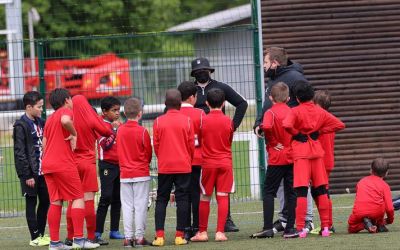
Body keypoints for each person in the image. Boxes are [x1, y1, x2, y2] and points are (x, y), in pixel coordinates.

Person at [253, 47, 314, 233]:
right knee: (283, 184)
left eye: (265, 62)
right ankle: (285, 219)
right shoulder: (274, 78)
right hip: (276, 143)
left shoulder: (296, 78)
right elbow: (266, 105)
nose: (263, 66)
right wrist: (258, 122)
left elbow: (306, 106)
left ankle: (307, 219)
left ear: (275, 63)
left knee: (298, 182)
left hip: (289, 142)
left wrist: (294, 133)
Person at [191, 57, 247, 232]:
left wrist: (233, 126)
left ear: (210, 71)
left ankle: (226, 220)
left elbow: (242, 103)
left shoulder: (220, 87)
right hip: (195, 143)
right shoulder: (188, 89)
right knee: (198, 186)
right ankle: (197, 223)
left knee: (222, 188)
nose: (202, 73)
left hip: (217, 142)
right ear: (193, 74)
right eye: (199, 71)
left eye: (205, 70)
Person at [282, 83, 345, 238]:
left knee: (302, 191)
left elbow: (286, 124)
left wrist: (296, 134)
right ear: (312, 96)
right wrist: (318, 131)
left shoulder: (295, 110)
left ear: (297, 98)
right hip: (317, 154)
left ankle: (301, 228)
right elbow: (340, 124)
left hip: (302, 154)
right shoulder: (319, 111)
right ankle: (325, 228)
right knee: (322, 190)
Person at [41, 88, 98, 249]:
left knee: (56, 201)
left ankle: (54, 243)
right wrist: (74, 134)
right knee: (78, 197)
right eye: (71, 99)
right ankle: (79, 240)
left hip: (48, 164)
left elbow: (44, 144)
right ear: (67, 100)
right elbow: (66, 121)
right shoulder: (66, 111)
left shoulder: (50, 119)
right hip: (63, 163)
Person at [249, 82, 298, 239]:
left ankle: (268, 227)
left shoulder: (270, 113)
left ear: (271, 97)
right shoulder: (291, 111)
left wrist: (271, 142)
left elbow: (268, 127)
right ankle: (290, 228)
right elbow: (296, 131)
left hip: (277, 159)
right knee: (291, 192)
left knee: (269, 191)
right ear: (288, 98)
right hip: (291, 156)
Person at [65, 95, 114, 246]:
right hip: (88, 162)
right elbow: (107, 131)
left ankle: (70, 236)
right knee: (88, 201)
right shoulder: (90, 118)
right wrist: (95, 117)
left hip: (71, 163)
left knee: (72, 201)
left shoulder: (68, 119)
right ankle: (91, 236)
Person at [152, 89, 194, 246]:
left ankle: (160, 237)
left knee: (161, 199)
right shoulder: (187, 121)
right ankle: (179, 236)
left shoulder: (158, 121)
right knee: (183, 199)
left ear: (165, 104)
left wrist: (162, 157)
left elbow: (156, 145)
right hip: (183, 165)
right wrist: (187, 159)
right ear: (180, 104)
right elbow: (191, 145)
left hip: (165, 166)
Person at [190, 88, 234, 242]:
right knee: (223, 196)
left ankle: (202, 232)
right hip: (225, 162)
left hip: (208, 163)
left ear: (207, 103)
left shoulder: (203, 120)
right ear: (223, 104)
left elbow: (200, 141)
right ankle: (220, 232)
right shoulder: (229, 121)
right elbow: (229, 140)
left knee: (205, 197)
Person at [13, 91, 50, 247]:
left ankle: (41, 234)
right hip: (30, 173)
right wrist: (27, 174)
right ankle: (34, 237)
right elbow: (20, 152)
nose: (41, 110)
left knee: (46, 201)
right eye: (39, 107)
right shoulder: (20, 125)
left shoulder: (40, 122)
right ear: (29, 107)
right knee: (31, 203)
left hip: (43, 171)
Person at [117, 97, 153, 247]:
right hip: (141, 173)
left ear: (124, 113)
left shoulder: (119, 130)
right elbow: (148, 153)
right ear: (140, 113)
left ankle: (127, 237)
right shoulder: (143, 131)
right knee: (140, 206)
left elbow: (118, 151)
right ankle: (139, 237)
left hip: (125, 174)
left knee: (126, 207)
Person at [177, 81, 206, 240]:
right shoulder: (200, 113)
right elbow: (204, 137)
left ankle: (184, 228)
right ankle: (196, 227)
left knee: (182, 195)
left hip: (180, 161)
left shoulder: (174, 113)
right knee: (196, 194)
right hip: (197, 159)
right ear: (191, 98)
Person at [95, 96, 123, 245]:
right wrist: (114, 130)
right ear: (104, 112)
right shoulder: (101, 124)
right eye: (114, 110)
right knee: (105, 197)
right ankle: (97, 232)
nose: (117, 113)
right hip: (107, 165)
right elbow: (105, 145)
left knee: (117, 198)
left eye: (118, 110)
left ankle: (114, 230)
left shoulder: (117, 124)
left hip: (120, 165)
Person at [311, 90, 336, 234]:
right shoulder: (329, 118)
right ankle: (326, 223)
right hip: (326, 160)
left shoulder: (320, 119)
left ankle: (328, 224)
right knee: (321, 192)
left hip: (320, 162)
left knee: (322, 193)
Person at [348, 158, 394, 233]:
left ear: (370, 170)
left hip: (359, 212)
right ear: (386, 173)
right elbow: (390, 208)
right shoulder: (385, 186)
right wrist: (389, 220)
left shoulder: (361, 182)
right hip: (377, 213)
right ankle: (379, 223)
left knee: (351, 227)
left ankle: (365, 225)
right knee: (380, 204)